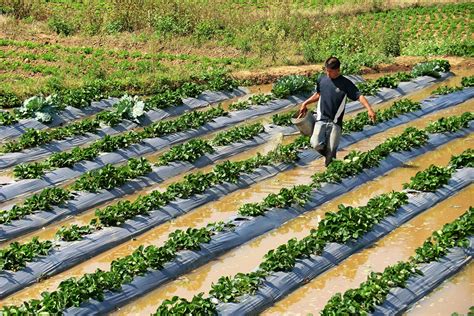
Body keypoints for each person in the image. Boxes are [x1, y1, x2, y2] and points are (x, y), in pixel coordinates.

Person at [299, 56, 376, 167]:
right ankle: (329, 157)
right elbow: (318, 95)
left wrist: (370, 109)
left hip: (335, 123)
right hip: (321, 119)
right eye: (326, 70)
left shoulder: (346, 84)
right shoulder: (322, 79)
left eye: (330, 71)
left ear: (338, 70)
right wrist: (305, 103)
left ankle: (330, 170)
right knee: (315, 143)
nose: (328, 73)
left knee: (332, 151)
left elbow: (359, 96)